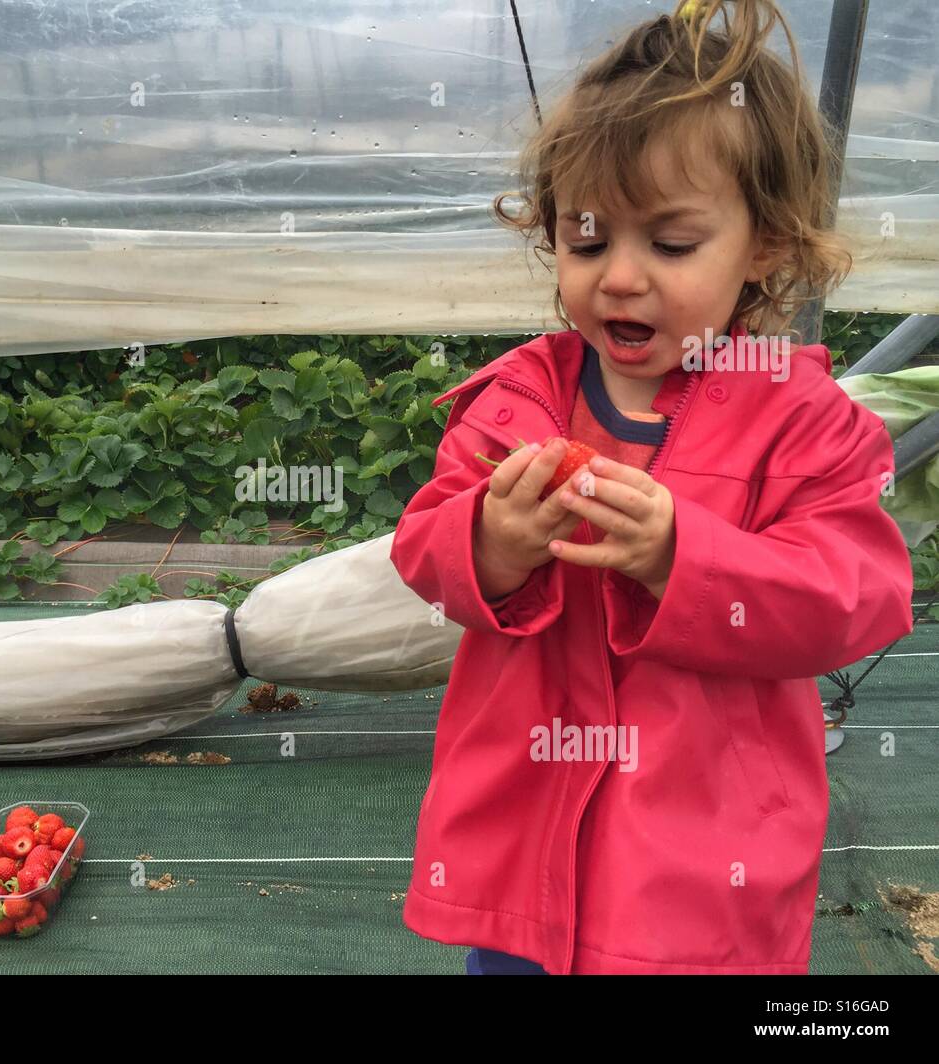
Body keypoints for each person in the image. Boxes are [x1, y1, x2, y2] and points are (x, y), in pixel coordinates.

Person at [389, 0, 915, 975]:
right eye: (587, 244)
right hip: (523, 864)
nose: (620, 278)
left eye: (670, 246)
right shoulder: (515, 404)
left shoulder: (797, 419)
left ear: (761, 244)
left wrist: (687, 556)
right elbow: (424, 550)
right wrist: (490, 542)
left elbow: (859, 594)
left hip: (699, 881)